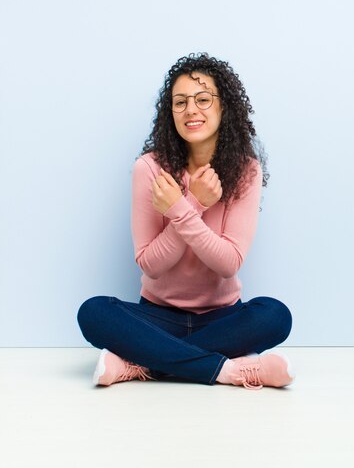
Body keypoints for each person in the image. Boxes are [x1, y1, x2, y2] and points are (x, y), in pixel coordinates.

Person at [77, 52, 294, 390]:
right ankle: (228, 370)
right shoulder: (149, 168)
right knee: (93, 312)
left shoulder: (246, 170)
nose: (191, 109)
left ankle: (142, 363)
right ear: (171, 113)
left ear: (225, 108)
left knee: (275, 316)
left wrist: (180, 209)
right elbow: (151, 265)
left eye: (203, 99)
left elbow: (228, 264)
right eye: (180, 102)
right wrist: (194, 203)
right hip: (157, 317)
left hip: (224, 318)